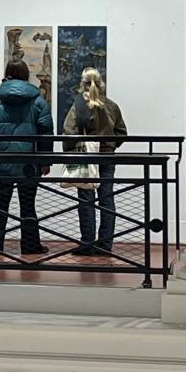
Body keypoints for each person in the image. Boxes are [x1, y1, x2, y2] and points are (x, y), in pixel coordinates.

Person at [0, 60, 54, 254]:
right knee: (28, 205)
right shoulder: (38, 100)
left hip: (0, 159)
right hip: (28, 162)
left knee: (0, 204)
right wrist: (46, 161)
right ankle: (30, 245)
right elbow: (46, 131)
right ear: (26, 74)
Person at [63, 68, 127, 255]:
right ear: (101, 84)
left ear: (82, 83)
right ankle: (105, 244)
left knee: (86, 201)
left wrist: (70, 150)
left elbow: (69, 131)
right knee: (107, 200)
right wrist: (109, 146)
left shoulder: (78, 106)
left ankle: (87, 243)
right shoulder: (111, 106)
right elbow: (122, 133)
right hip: (107, 158)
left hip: (86, 157)